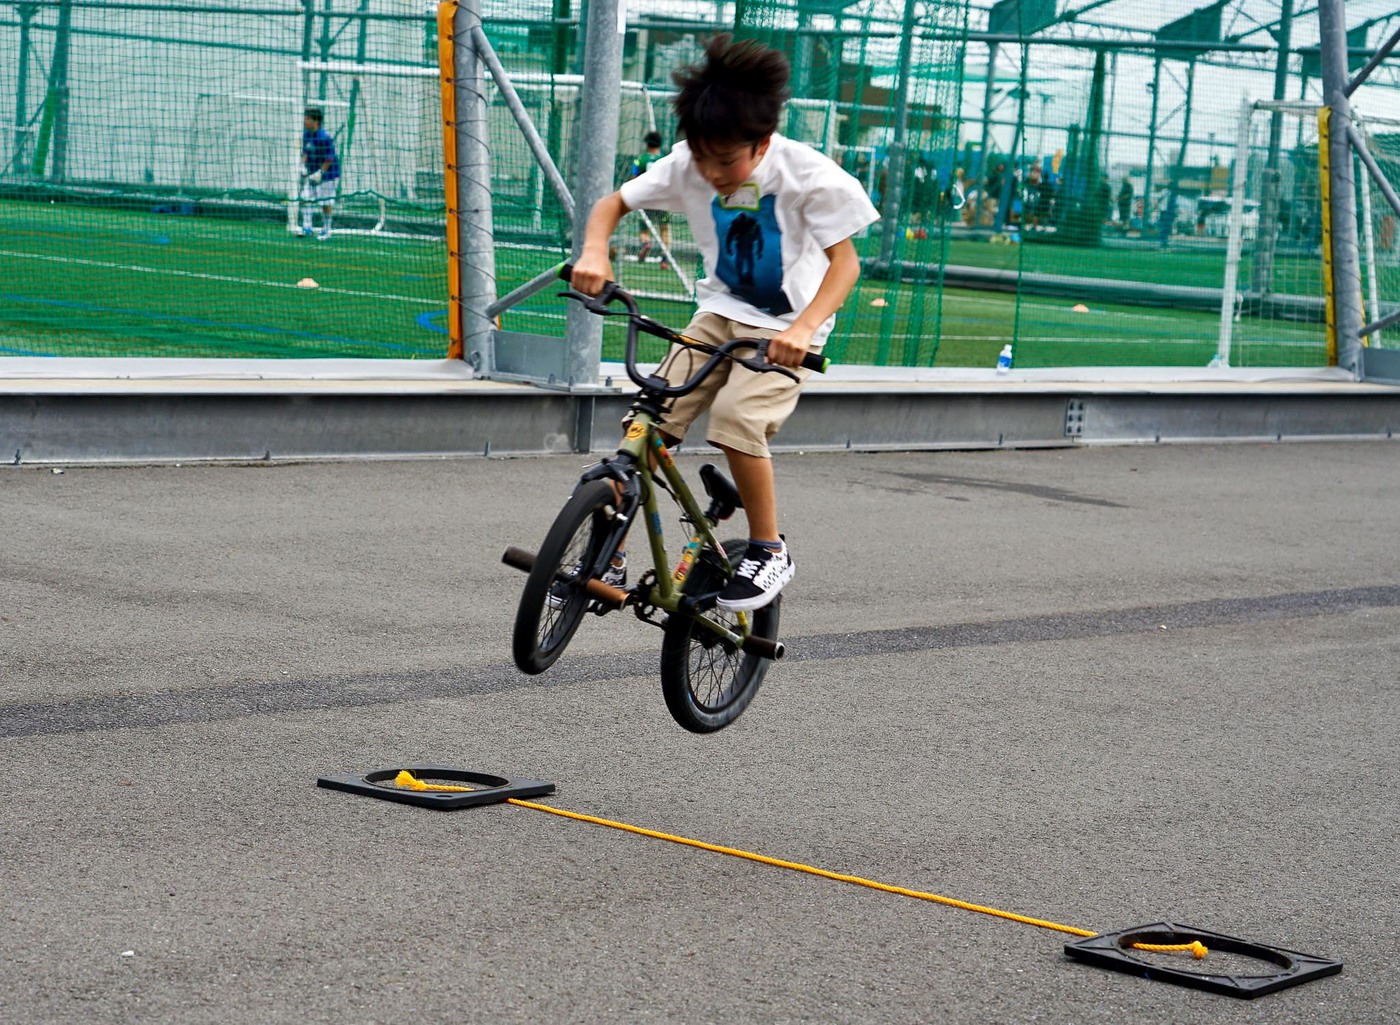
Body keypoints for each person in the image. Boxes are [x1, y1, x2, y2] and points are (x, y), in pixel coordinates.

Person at [569, 34, 878, 612]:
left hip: (785, 330)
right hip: (717, 315)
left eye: (727, 161)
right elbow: (612, 204)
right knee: (648, 419)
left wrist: (803, 329)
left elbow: (846, 266)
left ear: (762, 144)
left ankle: (768, 548)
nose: (712, 174)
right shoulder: (691, 162)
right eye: (702, 158)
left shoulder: (811, 177)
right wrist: (594, 252)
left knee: (737, 417)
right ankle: (608, 550)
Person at [628, 130, 672, 265]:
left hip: (646, 199)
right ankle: (664, 258)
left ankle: (646, 243)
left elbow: (634, 178)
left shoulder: (640, 159)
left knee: (644, 228)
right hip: (662, 200)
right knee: (664, 228)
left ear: (647, 144)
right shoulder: (665, 160)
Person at [299, 106, 340, 240]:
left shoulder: (324, 137)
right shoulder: (306, 135)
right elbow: (305, 152)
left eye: (307, 119)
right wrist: (302, 165)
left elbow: (329, 158)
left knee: (325, 203)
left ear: (315, 121)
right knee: (305, 198)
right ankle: (307, 227)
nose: (305, 121)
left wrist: (320, 173)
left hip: (328, 175)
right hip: (312, 174)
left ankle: (326, 230)